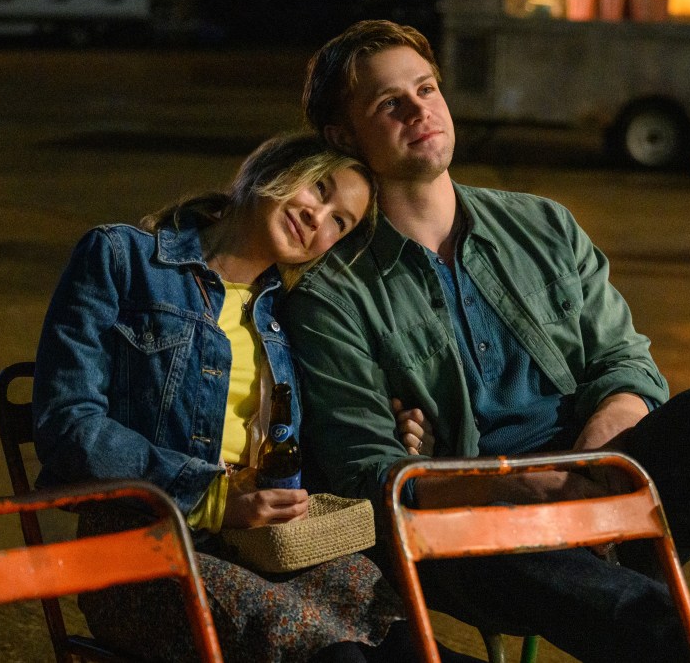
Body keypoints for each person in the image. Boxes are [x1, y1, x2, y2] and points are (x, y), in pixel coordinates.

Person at [282, 20, 690, 663]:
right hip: (475, 529)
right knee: (486, 537)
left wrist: (588, 468)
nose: (420, 110)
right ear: (343, 136)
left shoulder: (544, 225)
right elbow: (368, 471)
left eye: (426, 88)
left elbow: (624, 363)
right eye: (389, 103)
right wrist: (510, 487)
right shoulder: (332, 293)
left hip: (604, 476)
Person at [32, 132, 479, 663]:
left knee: (404, 635)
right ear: (271, 168)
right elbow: (66, 424)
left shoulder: (287, 318)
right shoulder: (122, 258)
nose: (319, 218)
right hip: (135, 554)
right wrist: (214, 497)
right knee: (331, 651)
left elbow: (301, 454)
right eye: (319, 190)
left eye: (340, 221)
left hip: (264, 549)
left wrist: (386, 426)